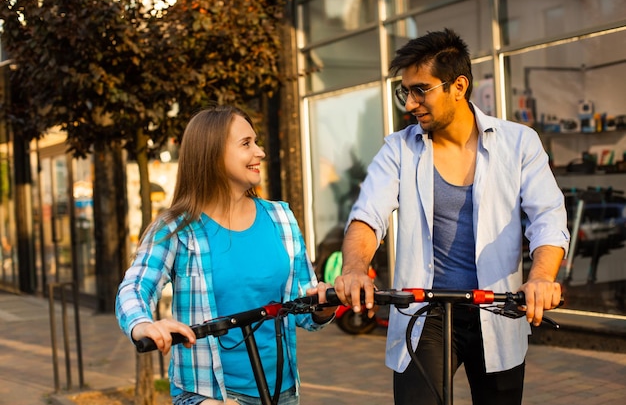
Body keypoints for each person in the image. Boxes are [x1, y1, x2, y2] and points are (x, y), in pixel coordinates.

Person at [333, 28, 570, 405]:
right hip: (425, 313)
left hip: (496, 307)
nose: (409, 104)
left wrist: (541, 278)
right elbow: (367, 215)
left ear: (458, 86)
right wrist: (355, 268)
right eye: (404, 92)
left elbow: (548, 218)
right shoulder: (399, 149)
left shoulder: (519, 143)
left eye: (420, 90)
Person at [116, 104, 337, 405]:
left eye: (256, 142)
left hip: (282, 392)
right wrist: (142, 324)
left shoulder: (281, 218)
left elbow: (302, 307)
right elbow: (135, 287)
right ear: (212, 155)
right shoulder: (178, 228)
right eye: (246, 144)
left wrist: (322, 307)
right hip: (213, 396)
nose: (259, 152)